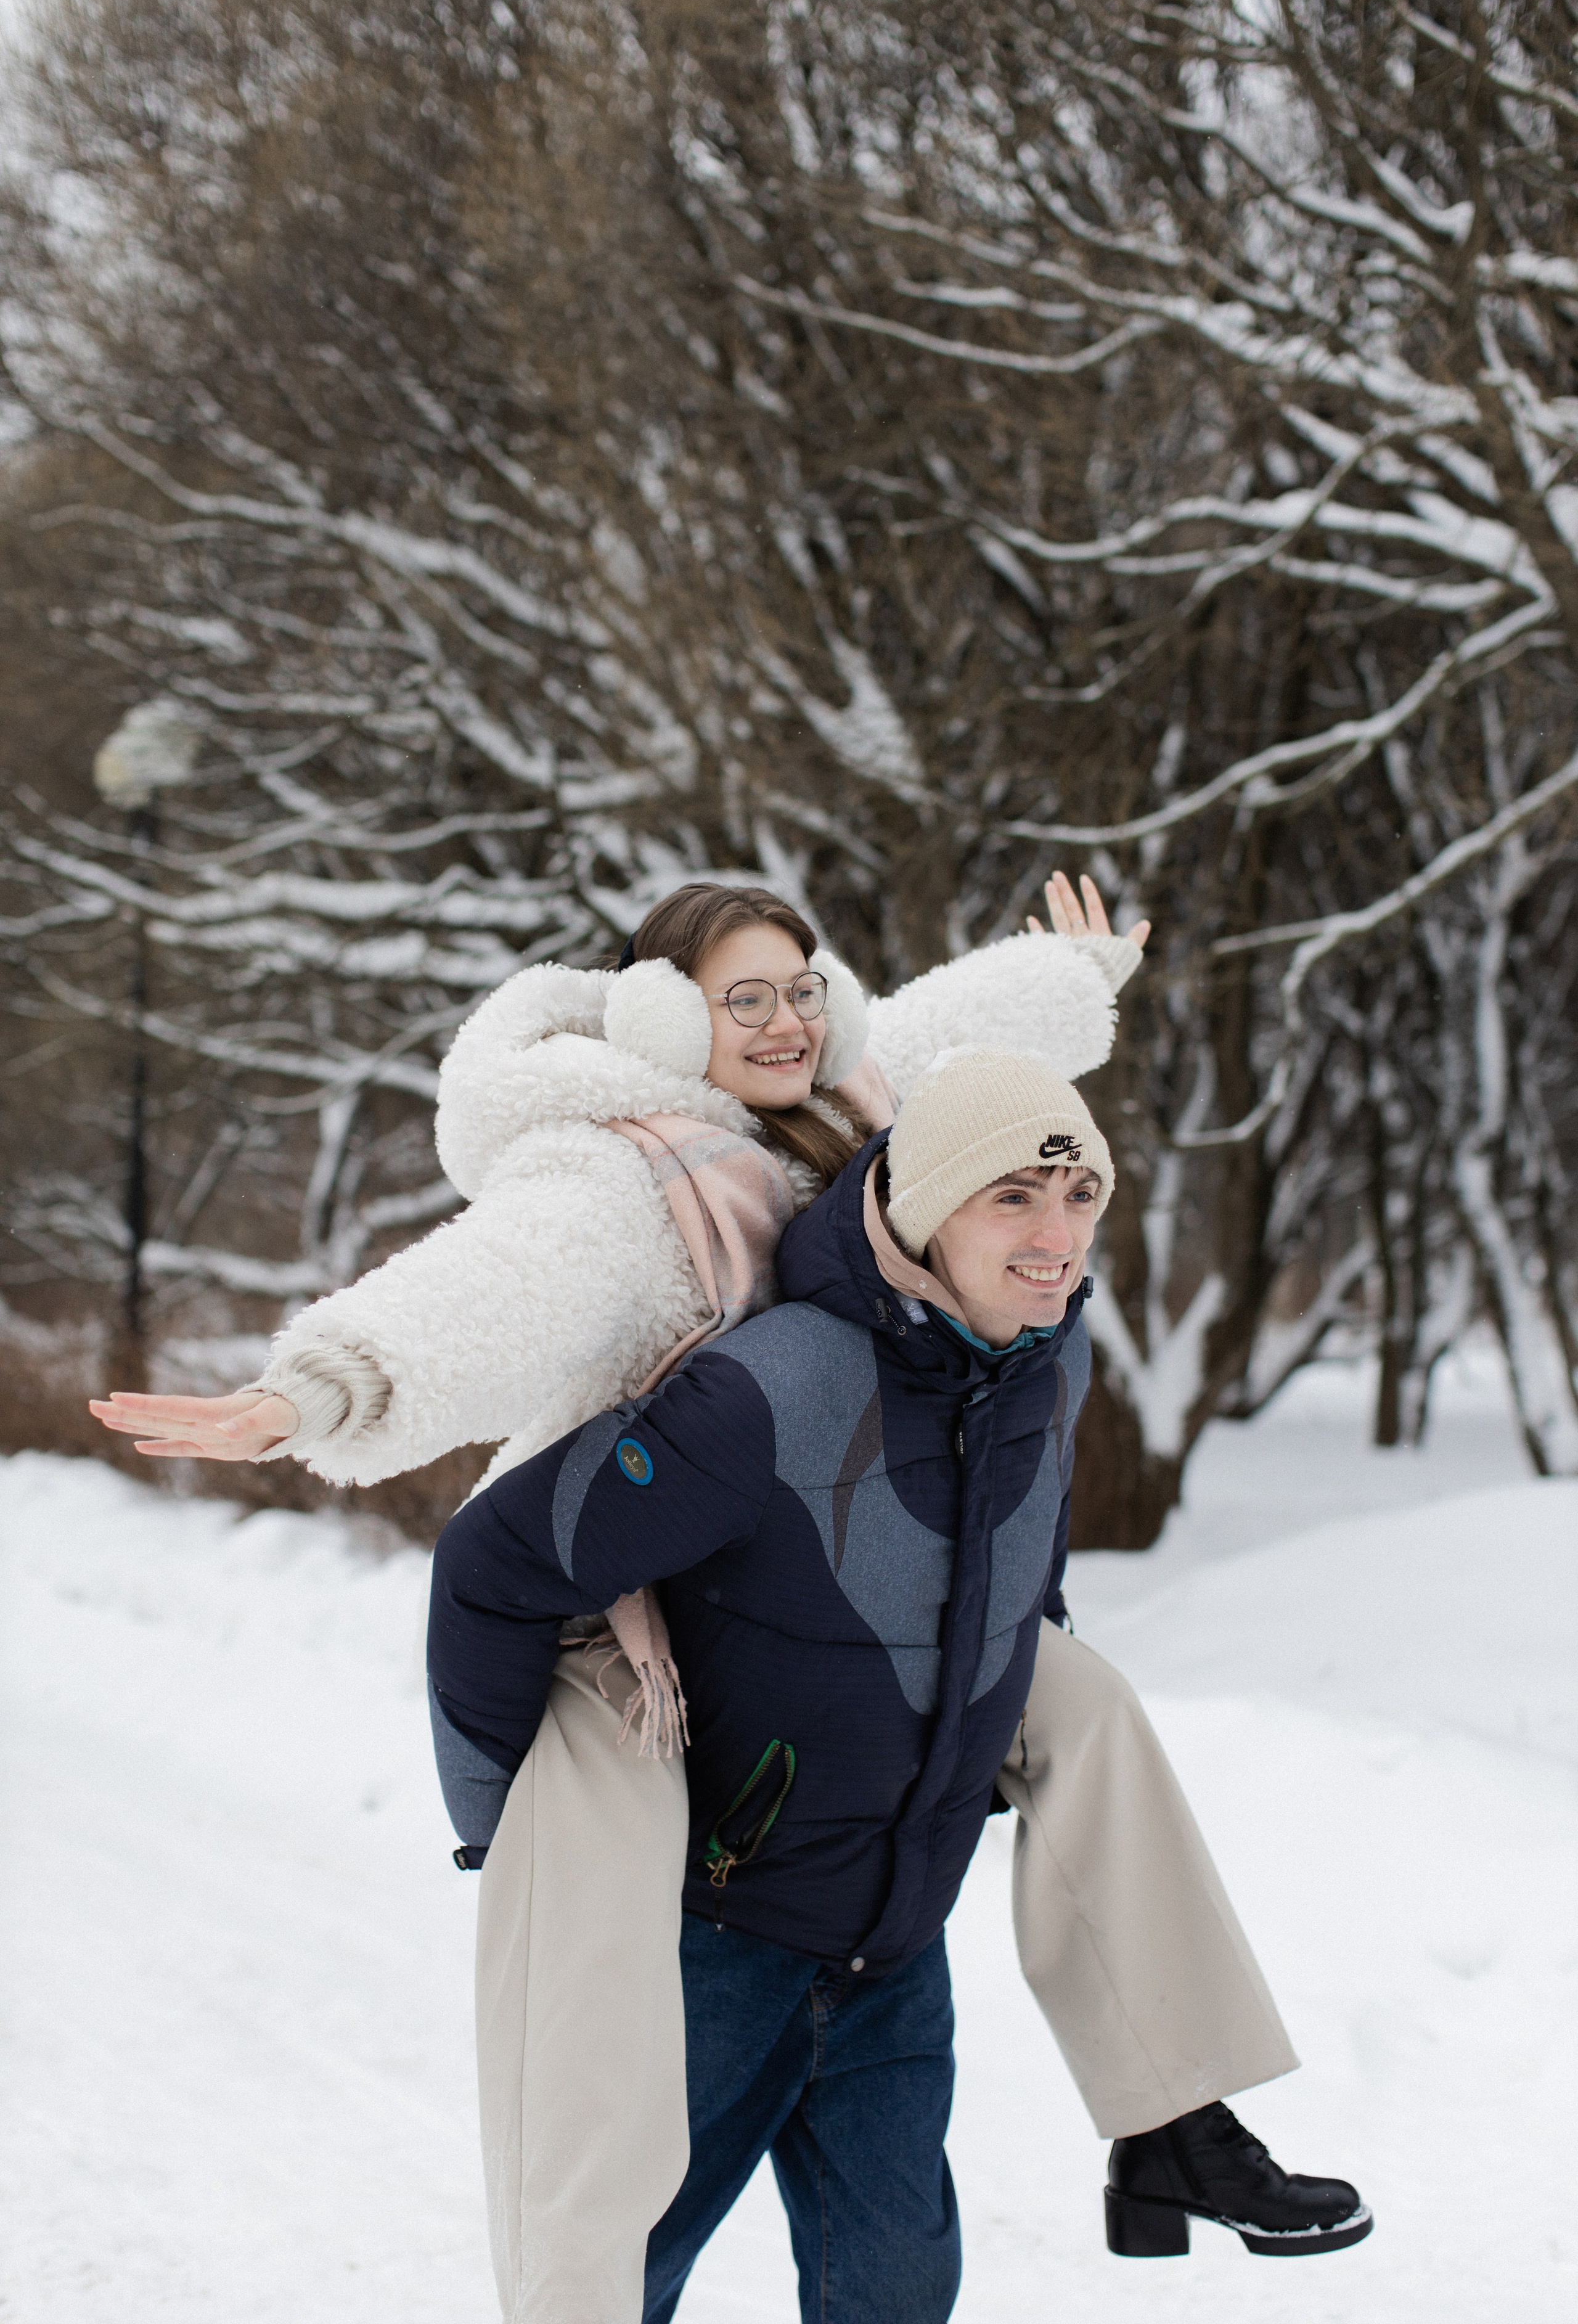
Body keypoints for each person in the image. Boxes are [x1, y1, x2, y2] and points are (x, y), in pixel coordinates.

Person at [87, 881, 1333, 2318]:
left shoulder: (855, 1104)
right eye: (742, 999)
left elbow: (959, 1053)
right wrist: (317, 1388)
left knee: (1079, 1704)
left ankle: (1176, 2114)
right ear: (661, 1015)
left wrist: (1077, 972)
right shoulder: (615, 1176)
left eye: (802, 988)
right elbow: (478, 1298)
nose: (786, 1020)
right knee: (609, 2169)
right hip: (626, 1612)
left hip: (832, 1565)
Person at [428, 1050, 1372, 2324]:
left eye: (1080, 1194)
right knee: (612, 2282)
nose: (1056, 1238)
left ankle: (1174, 2126)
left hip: (890, 1946)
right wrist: (506, 1829)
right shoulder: (770, 1389)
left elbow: (1019, 1565)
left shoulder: (1047, 1356)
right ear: (925, 1208)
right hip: (716, 1949)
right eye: (1013, 1199)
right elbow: (494, 1567)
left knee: (893, 2295)